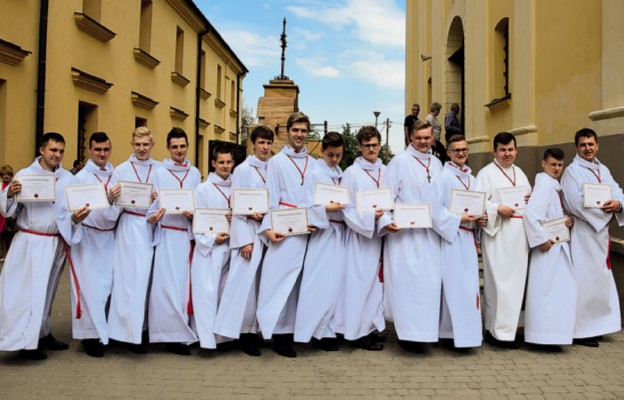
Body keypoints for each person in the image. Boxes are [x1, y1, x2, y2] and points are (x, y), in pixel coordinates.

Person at [379, 120, 459, 353]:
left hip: (430, 234)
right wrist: (386, 221)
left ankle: (424, 332)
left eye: (427, 138)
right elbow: (386, 196)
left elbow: (442, 197)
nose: (423, 142)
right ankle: (408, 336)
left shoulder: (436, 163)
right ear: (410, 138)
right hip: (405, 236)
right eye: (419, 138)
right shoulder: (399, 162)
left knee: (428, 285)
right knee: (408, 285)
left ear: (432, 138)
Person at [0, 132, 81, 360]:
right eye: (53, 150)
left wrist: (78, 216)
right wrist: (11, 194)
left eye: (61, 151)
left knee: (48, 291)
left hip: (55, 241)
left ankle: (43, 332)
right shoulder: (25, 175)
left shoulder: (68, 178)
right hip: (31, 241)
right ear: (42, 150)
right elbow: (8, 211)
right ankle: (26, 342)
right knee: (28, 292)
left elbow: (70, 210)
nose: (57, 155)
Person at [256, 112, 323, 358]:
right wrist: (268, 228)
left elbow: (317, 198)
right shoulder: (276, 162)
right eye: (295, 130)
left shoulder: (314, 163)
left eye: (304, 131)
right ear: (287, 131)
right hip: (285, 227)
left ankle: (300, 330)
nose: (300, 135)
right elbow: (271, 198)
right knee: (280, 282)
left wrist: (316, 220)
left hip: (309, 229)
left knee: (303, 283)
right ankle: (280, 335)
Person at [213, 126, 274, 356]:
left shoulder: (273, 167)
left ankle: (255, 330)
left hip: (267, 232)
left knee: (260, 286)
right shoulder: (243, 170)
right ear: (253, 144)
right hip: (249, 232)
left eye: (269, 143)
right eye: (261, 142)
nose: (265, 147)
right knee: (244, 288)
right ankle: (240, 333)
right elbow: (236, 206)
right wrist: (244, 241)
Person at [60, 132, 121, 357]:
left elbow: (121, 207)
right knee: (89, 288)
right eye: (97, 150)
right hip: (88, 237)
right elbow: (70, 211)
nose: (102, 154)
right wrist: (76, 217)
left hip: (110, 237)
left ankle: (105, 331)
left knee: (108, 286)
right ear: (89, 151)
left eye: (105, 150)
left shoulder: (117, 175)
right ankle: (89, 336)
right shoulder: (79, 178)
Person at [561, 128, 624, 347]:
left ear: (597, 145)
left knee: (599, 281)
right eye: (583, 145)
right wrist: (603, 217)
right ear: (576, 147)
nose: (587, 148)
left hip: (600, 234)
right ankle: (581, 330)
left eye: (591, 144)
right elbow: (575, 203)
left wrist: (618, 204)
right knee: (584, 280)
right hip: (583, 233)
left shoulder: (603, 169)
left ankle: (598, 325)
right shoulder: (572, 171)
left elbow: (616, 191)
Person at [147, 127, 201, 355]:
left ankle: (183, 334)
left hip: (186, 235)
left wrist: (194, 214)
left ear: (187, 147)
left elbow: (199, 201)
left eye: (182, 146)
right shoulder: (159, 173)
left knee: (183, 288)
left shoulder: (195, 173)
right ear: (168, 149)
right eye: (174, 147)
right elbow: (153, 204)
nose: (179, 150)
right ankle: (167, 334)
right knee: (165, 287)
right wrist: (154, 215)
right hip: (168, 234)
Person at [475, 131, 531, 349]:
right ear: (494, 151)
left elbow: (529, 199)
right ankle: (496, 331)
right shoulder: (486, 174)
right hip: (498, 235)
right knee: (498, 284)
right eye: (502, 150)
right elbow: (477, 201)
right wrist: (497, 208)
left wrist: (530, 198)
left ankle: (509, 329)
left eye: (510, 149)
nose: (507, 154)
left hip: (519, 237)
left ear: (516, 150)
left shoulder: (521, 174)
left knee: (516, 285)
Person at [107, 126, 161, 354]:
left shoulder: (159, 169)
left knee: (147, 282)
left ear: (152, 145)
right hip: (129, 227)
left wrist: (158, 198)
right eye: (137, 145)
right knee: (126, 281)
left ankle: (143, 329)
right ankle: (121, 333)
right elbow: (112, 205)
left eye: (145, 145)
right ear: (132, 145)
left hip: (151, 226)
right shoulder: (121, 170)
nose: (141, 149)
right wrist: (111, 198)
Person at [294, 131, 346, 351]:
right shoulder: (314, 173)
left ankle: (329, 329)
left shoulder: (339, 172)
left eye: (339, 155)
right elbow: (305, 203)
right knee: (319, 282)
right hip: (323, 233)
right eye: (331, 154)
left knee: (336, 284)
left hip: (339, 233)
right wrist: (325, 208)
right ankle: (313, 331)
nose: (334, 159)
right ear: (322, 151)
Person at [338, 126, 387, 351]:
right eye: (366, 146)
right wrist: (369, 217)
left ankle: (370, 327)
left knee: (376, 286)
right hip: (360, 237)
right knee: (358, 284)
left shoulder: (385, 171)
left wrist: (387, 220)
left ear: (380, 145)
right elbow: (346, 209)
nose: (371, 149)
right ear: (359, 147)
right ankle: (355, 332)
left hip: (380, 236)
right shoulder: (351, 173)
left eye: (374, 145)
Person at [523, 148, 576, 352]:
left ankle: (551, 334)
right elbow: (531, 216)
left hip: (558, 241)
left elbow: (551, 214)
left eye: (560, 165)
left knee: (556, 292)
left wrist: (565, 220)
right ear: (544, 164)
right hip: (548, 247)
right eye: (553, 164)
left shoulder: (553, 186)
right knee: (545, 292)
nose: (556, 168)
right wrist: (541, 239)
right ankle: (542, 336)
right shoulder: (544, 186)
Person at [437, 134, 486, 351]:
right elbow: (436, 209)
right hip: (452, 238)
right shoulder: (443, 177)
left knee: (469, 288)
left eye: (464, 150)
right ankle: (449, 333)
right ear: (448, 152)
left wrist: (481, 219)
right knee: (453, 286)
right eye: (456, 150)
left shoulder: (472, 178)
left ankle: (468, 335)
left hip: (468, 237)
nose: (461, 154)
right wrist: (457, 220)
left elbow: (479, 206)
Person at [190, 145, 234, 350]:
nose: (225, 166)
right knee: (207, 295)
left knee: (226, 294)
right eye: (221, 162)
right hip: (209, 249)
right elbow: (197, 222)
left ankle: (223, 338)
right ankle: (207, 340)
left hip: (231, 247)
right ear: (213, 163)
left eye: (229, 162)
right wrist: (211, 239)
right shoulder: (203, 189)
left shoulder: (238, 187)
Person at [0, 165, 15, 261]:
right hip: (0, 215)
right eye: (4, 175)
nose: (6, 176)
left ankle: (10, 254)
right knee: (1, 235)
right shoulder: (0, 186)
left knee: (10, 235)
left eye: (8, 175)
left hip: (10, 214)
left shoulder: (13, 186)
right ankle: (3, 254)